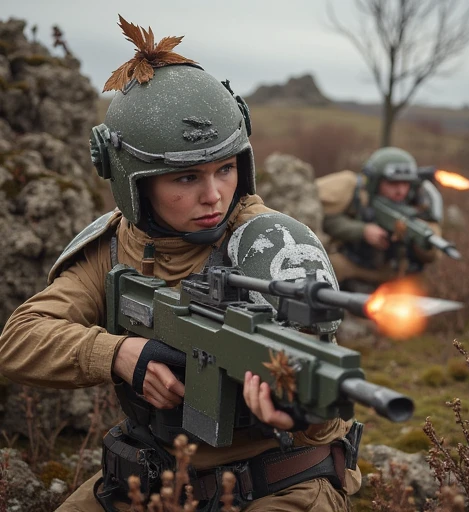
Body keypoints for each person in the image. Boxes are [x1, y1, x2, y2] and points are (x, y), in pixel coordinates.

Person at [0, 17, 361, 512]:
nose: (213, 196)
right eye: (186, 177)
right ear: (135, 181)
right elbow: (19, 339)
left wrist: (294, 414)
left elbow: (320, 394)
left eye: (225, 169)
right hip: (156, 473)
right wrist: (121, 354)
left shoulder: (273, 246)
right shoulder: (111, 249)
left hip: (281, 479)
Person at [316, 147, 443, 294]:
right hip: (354, 266)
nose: (400, 190)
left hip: (395, 278)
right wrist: (362, 230)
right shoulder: (356, 193)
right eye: (392, 183)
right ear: (375, 182)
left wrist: (416, 239)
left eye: (405, 183)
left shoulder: (419, 206)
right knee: (325, 269)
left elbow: (432, 255)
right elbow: (325, 219)